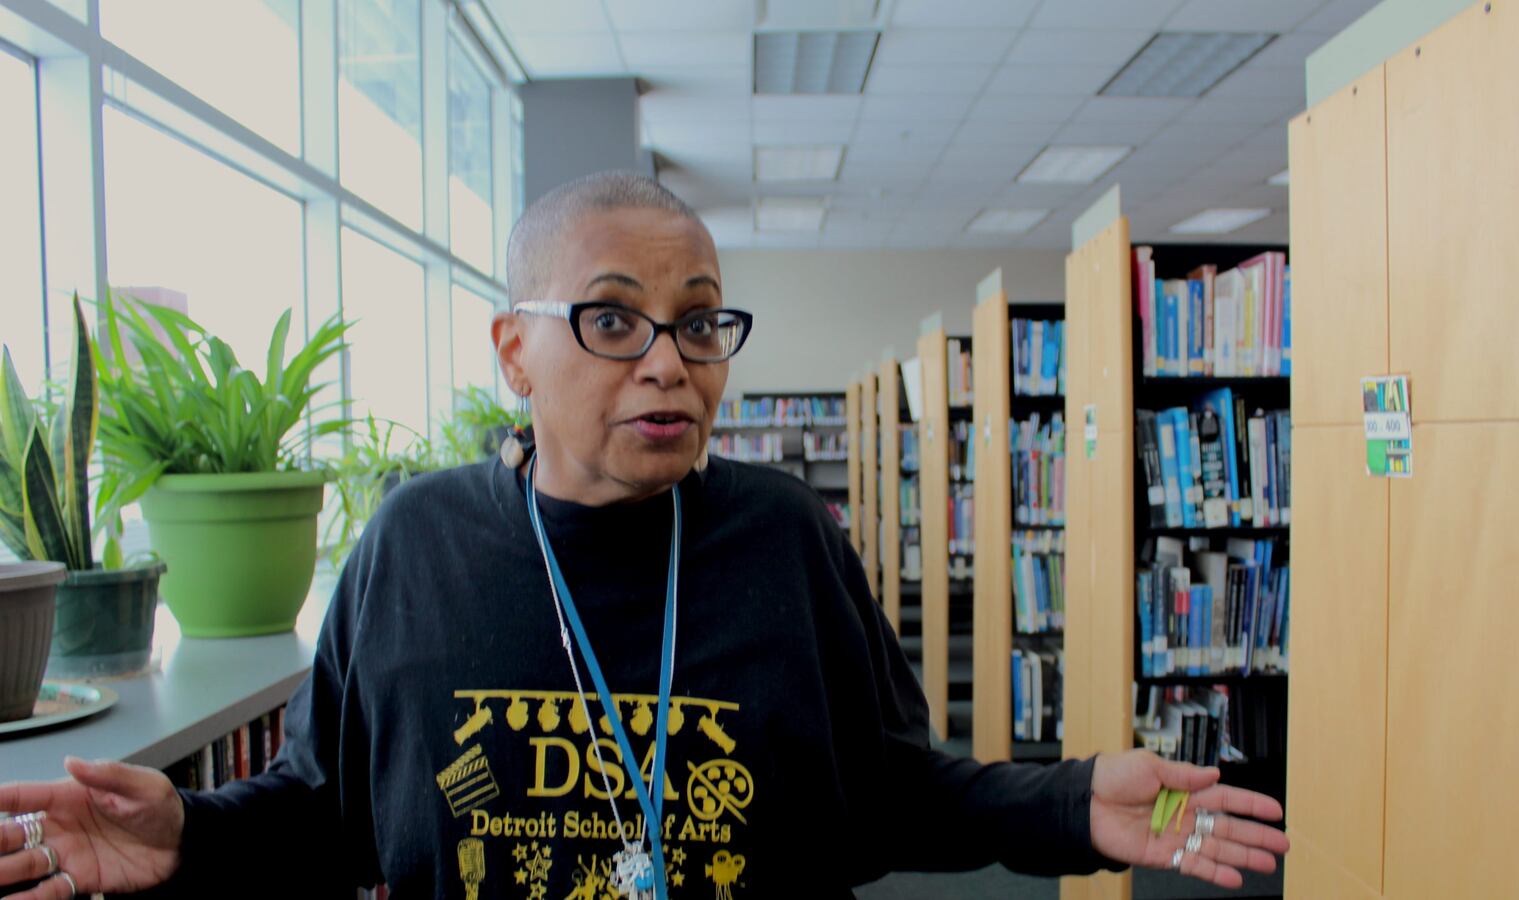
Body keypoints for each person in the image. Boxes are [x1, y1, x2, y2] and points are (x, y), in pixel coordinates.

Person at [0, 172, 1287, 899]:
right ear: (515, 349)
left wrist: (1069, 803)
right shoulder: (413, 546)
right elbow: (331, 805)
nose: (668, 363)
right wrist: (191, 838)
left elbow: (889, 792)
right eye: (612, 320)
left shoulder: (782, 537)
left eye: (700, 321)